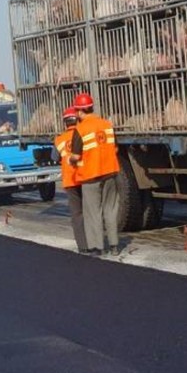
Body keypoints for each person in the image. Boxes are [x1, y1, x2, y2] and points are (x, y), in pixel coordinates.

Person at [68, 93, 121, 256]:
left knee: (93, 212)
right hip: (111, 173)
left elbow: (76, 156)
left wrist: (71, 160)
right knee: (110, 210)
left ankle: (98, 247)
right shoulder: (107, 125)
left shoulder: (80, 129)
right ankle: (114, 246)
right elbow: (115, 148)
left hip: (91, 176)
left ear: (79, 111)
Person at [54, 107, 88, 253]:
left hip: (70, 180)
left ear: (65, 123)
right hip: (86, 177)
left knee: (77, 214)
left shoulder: (59, 139)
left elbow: (55, 158)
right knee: (90, 211)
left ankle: (83, 246)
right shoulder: (84, 134)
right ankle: (95, 242)